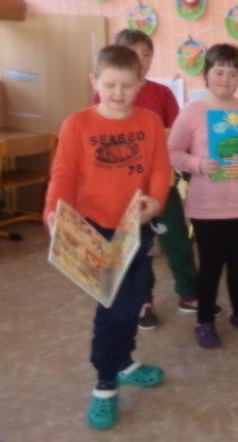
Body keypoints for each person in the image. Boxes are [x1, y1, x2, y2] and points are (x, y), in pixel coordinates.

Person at [45, 45, 171, 430]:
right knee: (112, 305)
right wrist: (53, 211)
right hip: (94, 227)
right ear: (94, 81)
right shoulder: (76, 124)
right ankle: (105, 380)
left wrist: (156, 201)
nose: (118, 93)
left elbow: (160, 169)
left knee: (134, 297)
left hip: (135, 225)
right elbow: (64, 174)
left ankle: (124, 360)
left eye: (127, 85)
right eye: (110, 84)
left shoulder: (150, 121)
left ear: (141, 83)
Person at [92, 28, 201, 330]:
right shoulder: (104, 95)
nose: (140, 59)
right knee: (137, 248)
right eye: (132, 53)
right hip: (123, 191)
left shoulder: (162, 93)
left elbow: (177, 136)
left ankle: (189, 293)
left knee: (177, 241)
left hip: (162, 184)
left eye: (147, 53)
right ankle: (143, 301)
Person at [168, 43, 238, 349]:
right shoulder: (193, 112)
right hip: (208, 209)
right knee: (210, 269)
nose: (226, 78)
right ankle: (205, 321)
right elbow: (172, 152)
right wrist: (198, 164)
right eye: (219, 71)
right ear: (206, 74)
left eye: (233, 73)